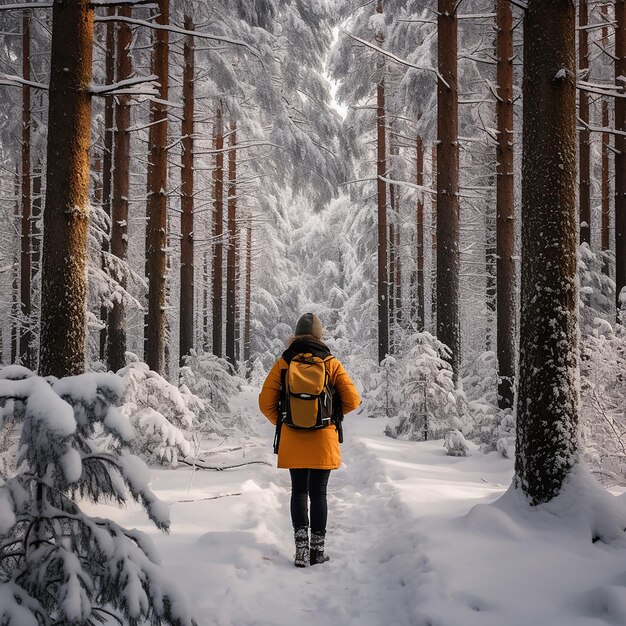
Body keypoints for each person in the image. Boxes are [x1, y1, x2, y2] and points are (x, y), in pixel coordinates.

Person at [258, 313, 360, 568]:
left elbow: (264, 402)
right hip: (323, 438)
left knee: (299, 491)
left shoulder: (284, 362)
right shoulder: (330, 362)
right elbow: (353, 400)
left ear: (296, 334)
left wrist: (285, 421)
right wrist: (329, 418)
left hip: (293, 437)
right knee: (319, 492)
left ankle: (301, 551)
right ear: (319, 335)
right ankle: (317, 551)